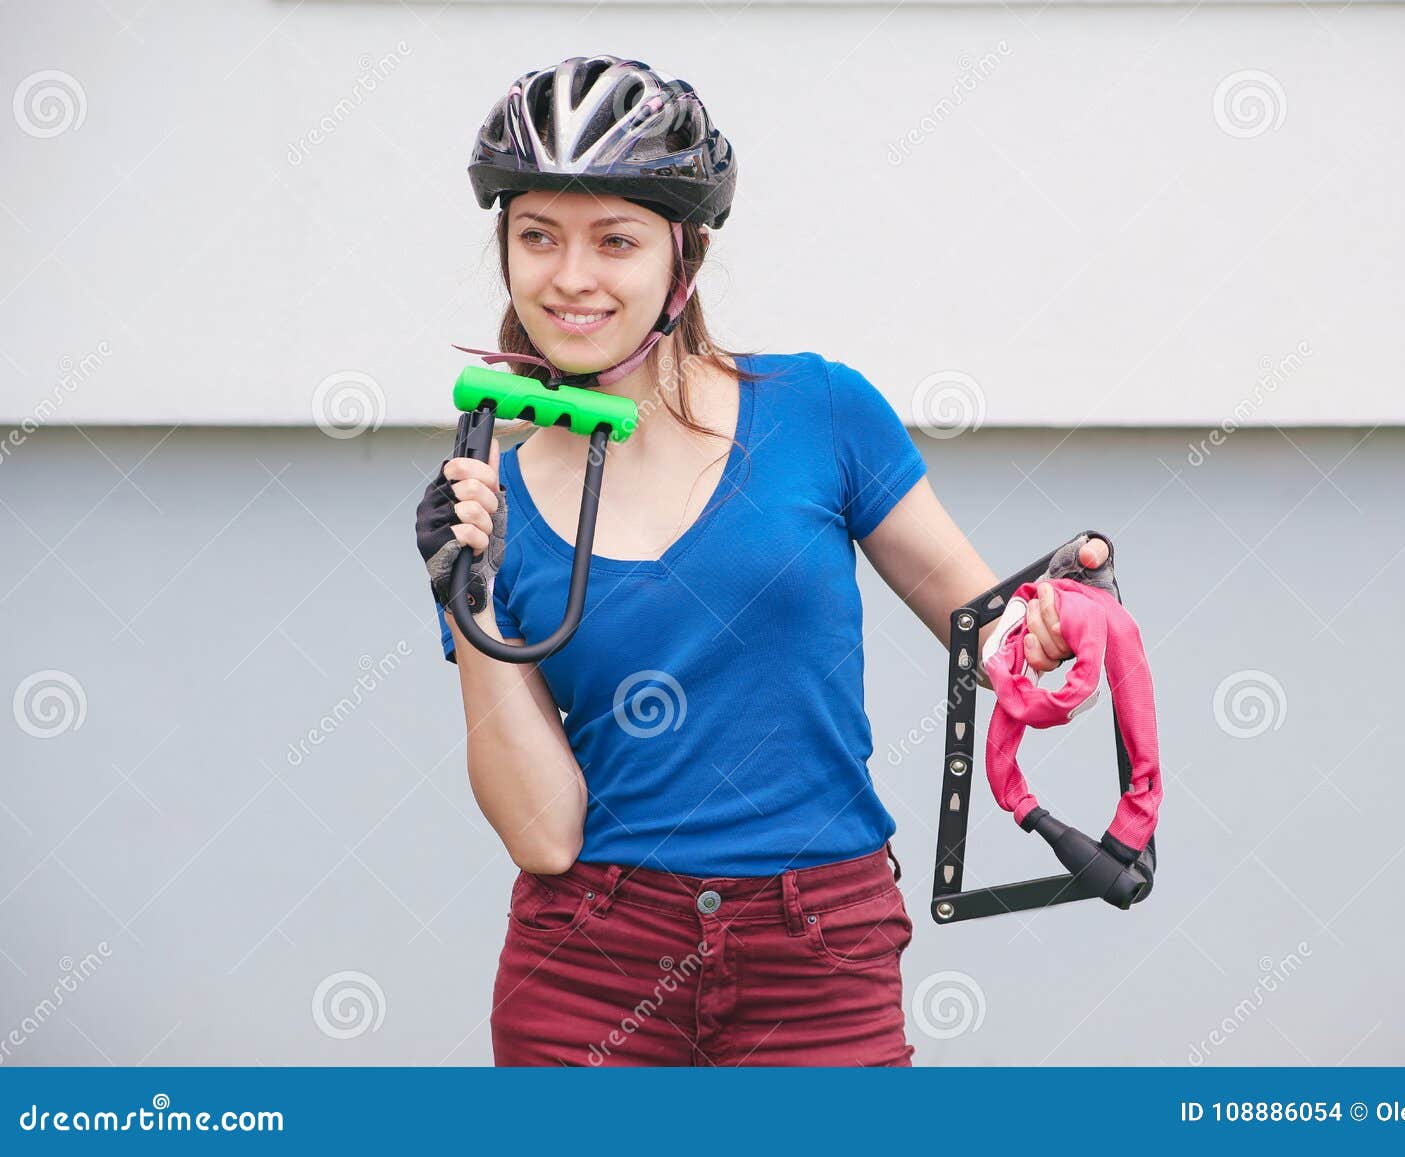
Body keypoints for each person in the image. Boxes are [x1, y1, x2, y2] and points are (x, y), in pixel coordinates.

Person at [414, 55, 1105, 1067]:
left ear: (680, 261)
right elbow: (543, 835)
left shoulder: (819, 409)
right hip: (589, 963)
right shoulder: (492, 501)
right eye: (536, 235)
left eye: (615, 238)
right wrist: (464, 588)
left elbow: (989, 627)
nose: (569, 276)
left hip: (818, 950)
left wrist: (1057, 630)